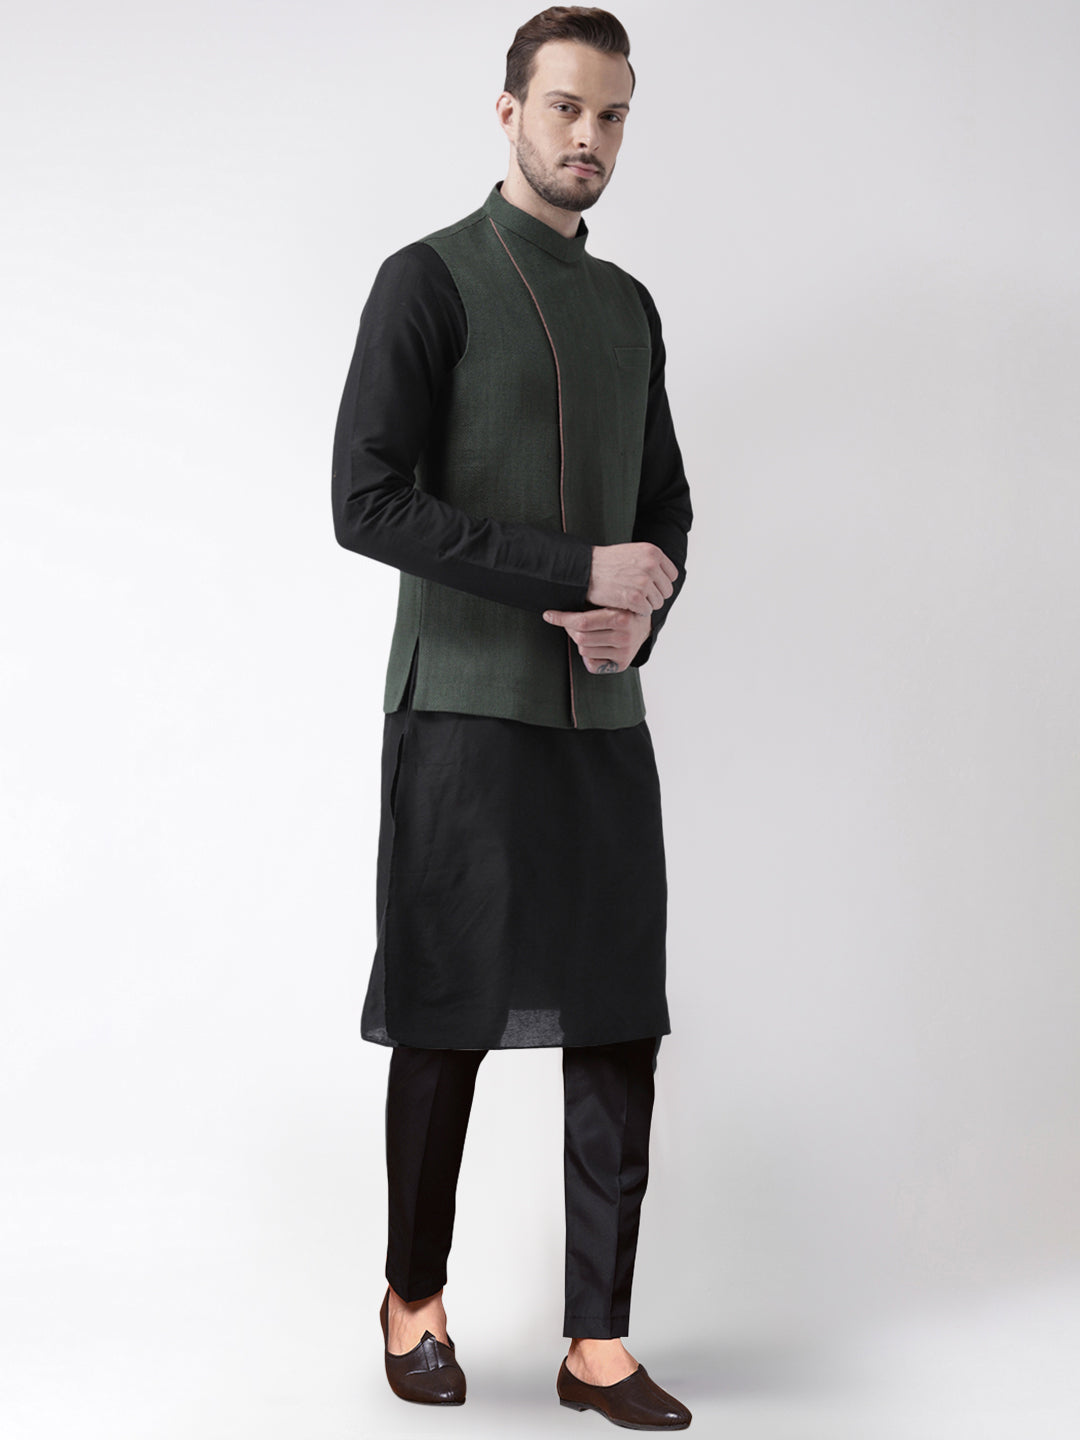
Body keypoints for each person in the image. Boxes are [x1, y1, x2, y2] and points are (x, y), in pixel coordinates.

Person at [331, 6, 693, 1429]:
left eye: (611, 114)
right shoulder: (426, 281)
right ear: (508, 113)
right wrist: (569, 570)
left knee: (615, 1028)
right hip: (462, 716)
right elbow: (365, 502)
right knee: (447, 1018)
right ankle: (413, 1301)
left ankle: (596, 1343)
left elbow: (663, 512)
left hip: (604, 723)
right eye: (564, 108)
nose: (588, 137)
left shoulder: (631, 309)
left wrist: (640, 610)